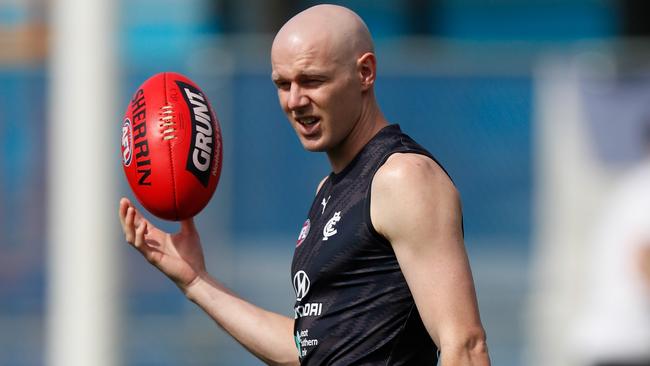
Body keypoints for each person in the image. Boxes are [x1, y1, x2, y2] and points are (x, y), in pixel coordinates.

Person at [119, 4, 489, 365]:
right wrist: (196, 281)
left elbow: (465, 346)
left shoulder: (402, 178)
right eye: (283, 84)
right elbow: (305, 349)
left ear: (365, 73)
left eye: (312, 80)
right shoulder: (330, 191)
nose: (295, 101)